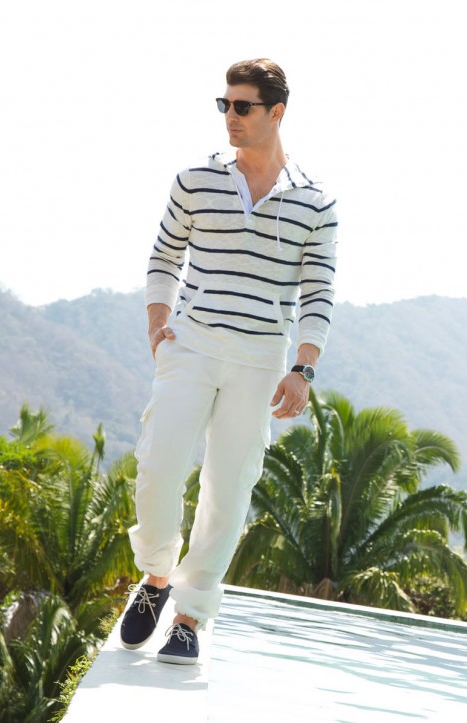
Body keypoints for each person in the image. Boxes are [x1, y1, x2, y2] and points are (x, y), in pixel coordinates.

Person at [120, 58, 337, 664]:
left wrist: (304, 368)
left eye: (243, 106)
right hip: (189, 346)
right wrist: (157, 324)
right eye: (225, 105)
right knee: (158, 466)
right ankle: (156, 577)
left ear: (276, 112)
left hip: (261, 359)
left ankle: (190, 616)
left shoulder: (316, 201)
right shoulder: (195, 180)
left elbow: (318, 291)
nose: (230, 116)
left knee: (228, 488)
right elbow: (164, 255)